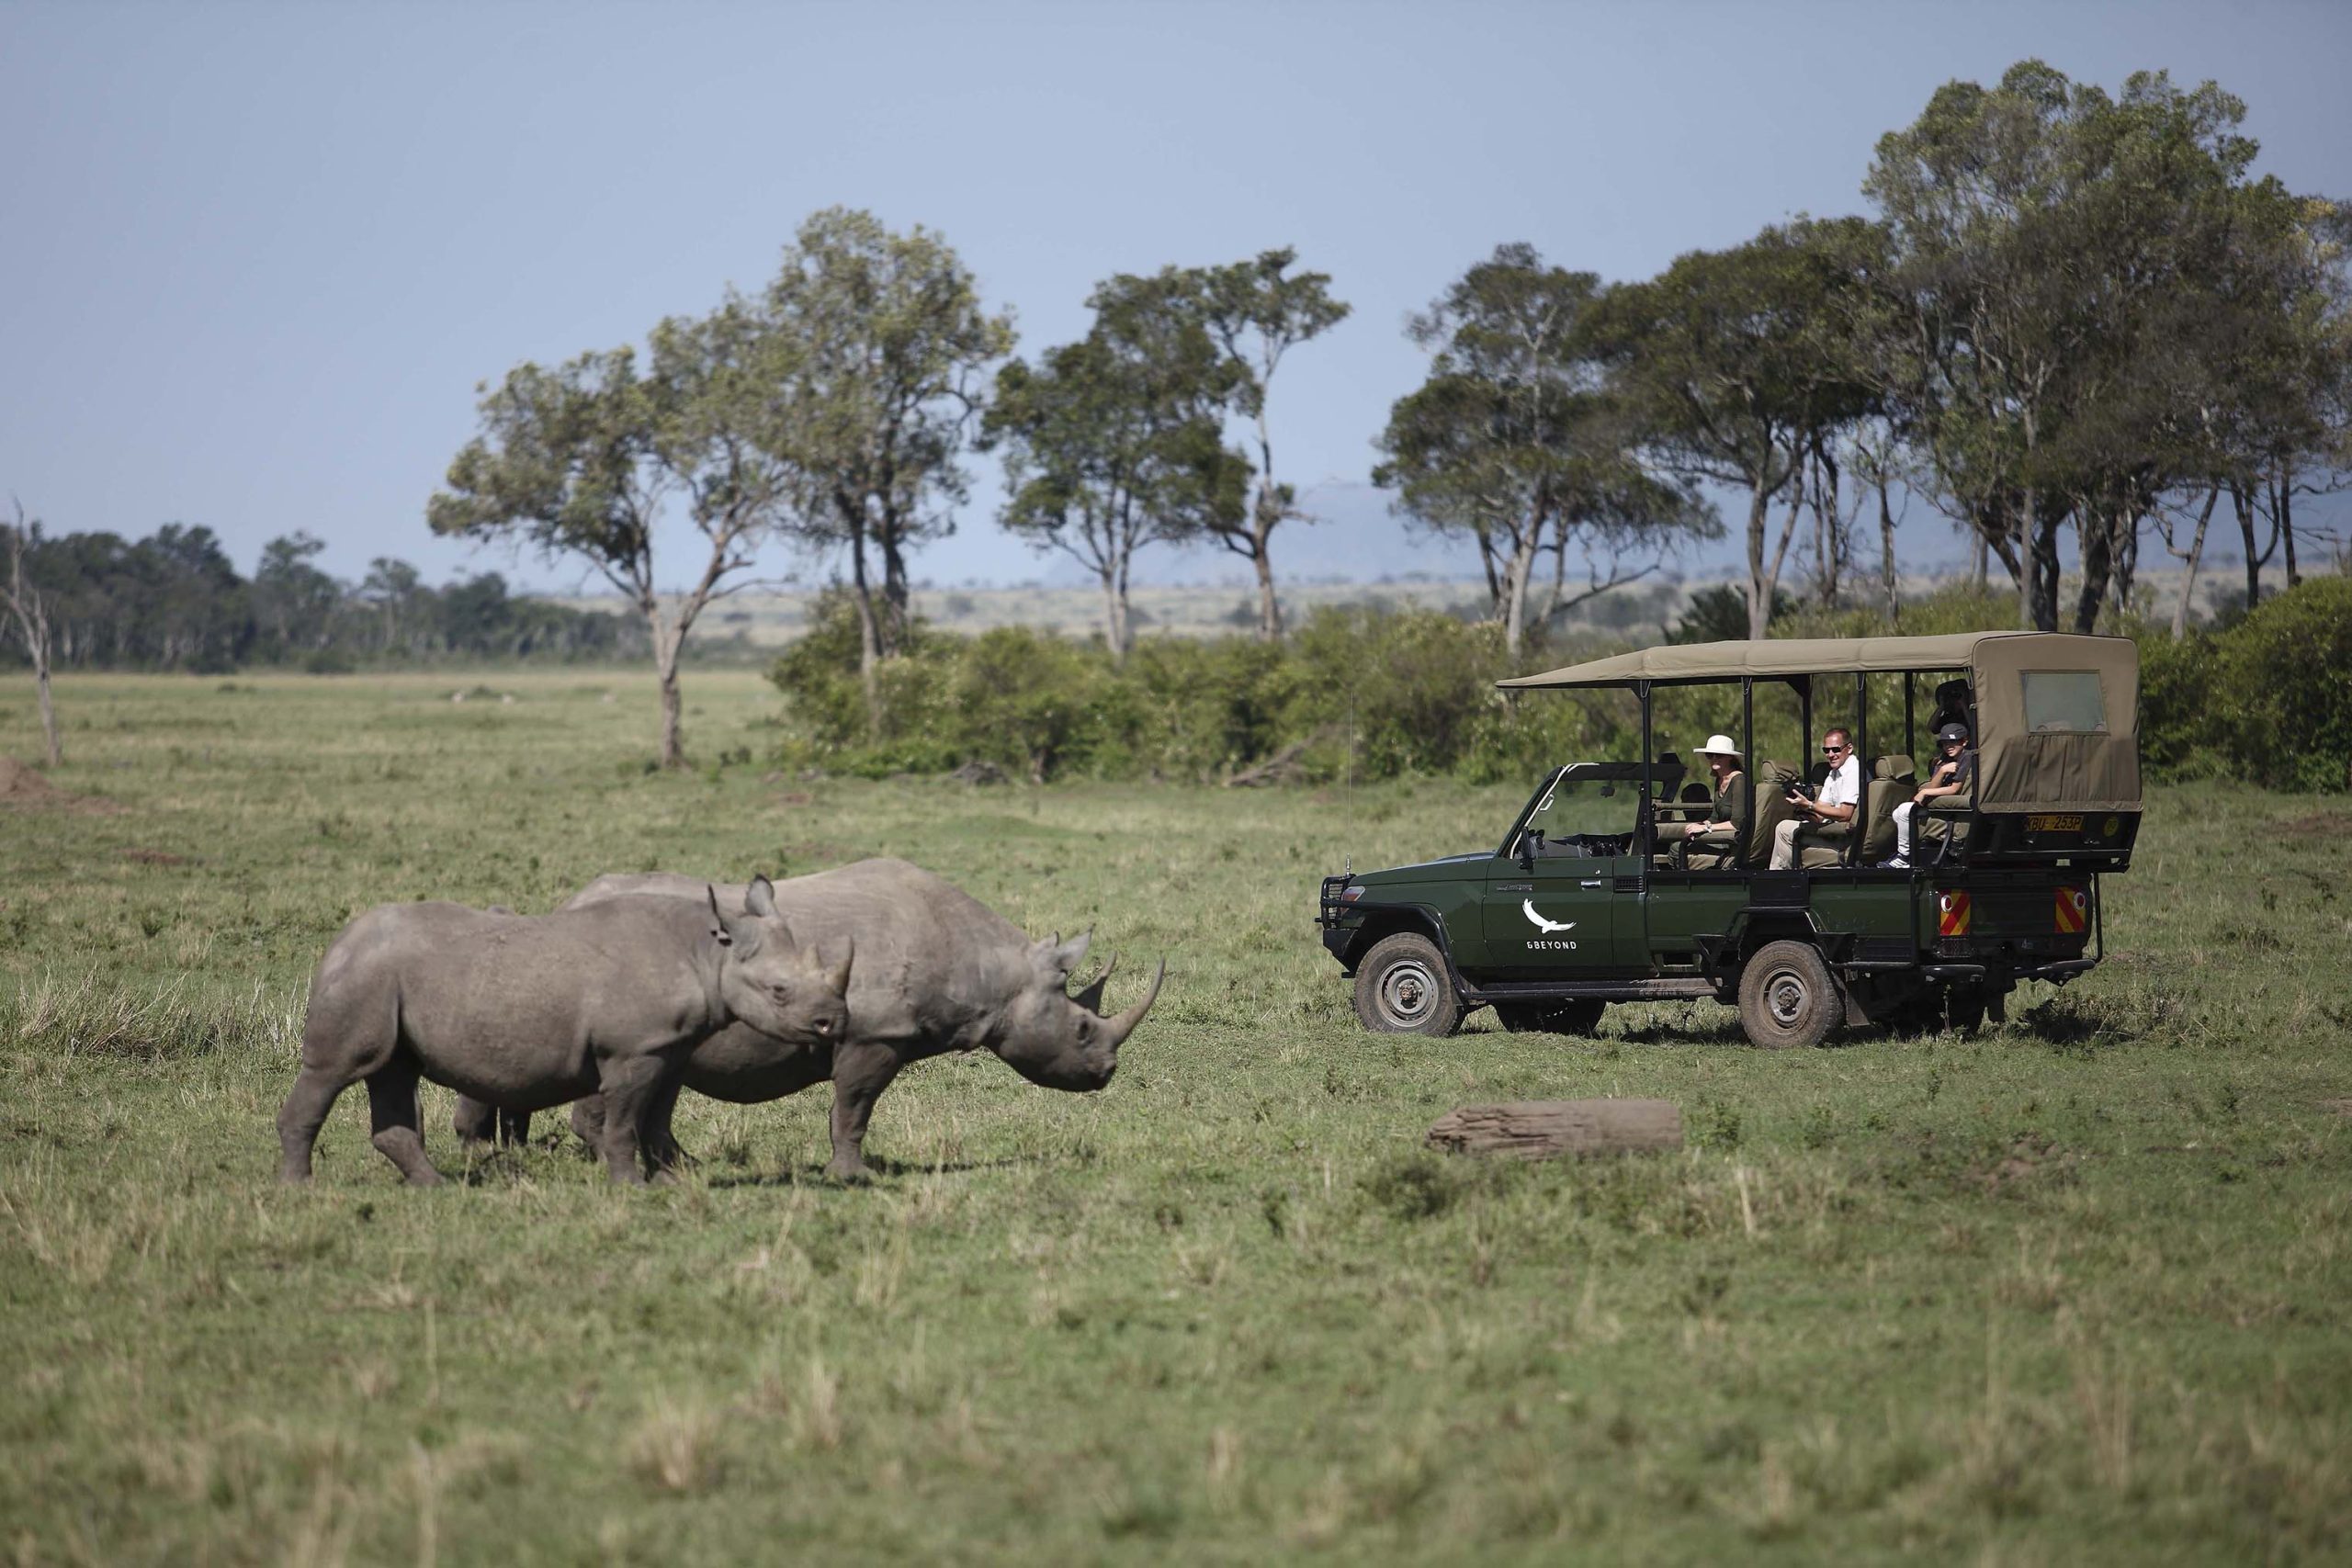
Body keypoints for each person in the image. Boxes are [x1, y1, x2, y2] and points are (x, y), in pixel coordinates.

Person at [1770, 726, 1861, 870]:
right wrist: (1802, 807)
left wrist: (1811, 805)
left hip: (1844, 835)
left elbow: (1845, 814)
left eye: (1835, 749)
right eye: (1826, 750)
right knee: (1786, 824)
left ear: (1849, 748)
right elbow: (1819, 814)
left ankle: (1779, 879)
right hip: (1832, 829)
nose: (1830, 754)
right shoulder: (1834, 774)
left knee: (1783, 829)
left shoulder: (1853, 771)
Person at [1885, 721, 1973, 868]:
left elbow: (1954, 789)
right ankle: (1906, 854)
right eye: (1945, 743)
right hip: (1940, 805)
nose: (1948, 746)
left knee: (1906, 811)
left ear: (1964, 741)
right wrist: (1943, 771)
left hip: (1950, 809)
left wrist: (1925, 792)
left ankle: (1905, 857)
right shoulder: (1945, 759)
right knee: (1897, 813)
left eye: (1953, 742)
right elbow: (1933, 785)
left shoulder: (1967, 757)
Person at [1665, 734, 1748, 866]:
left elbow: (1737, 824)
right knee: (1676, 845)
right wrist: (1699, 825)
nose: (1714, 759)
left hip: (1732, 841)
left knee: (1677, 849)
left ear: (1730, 757)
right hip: (1721, 836)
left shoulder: (1739, 780)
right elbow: (1715, 816)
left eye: (1719, 755)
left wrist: (1706, 828)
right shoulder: (1720, 779)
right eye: (1710, 755)